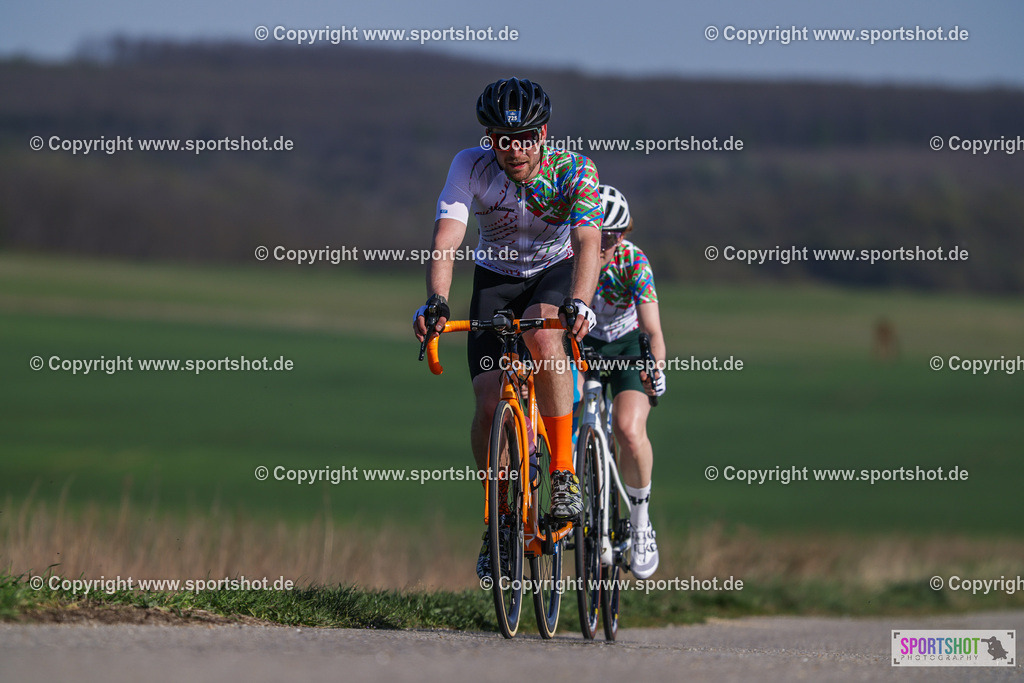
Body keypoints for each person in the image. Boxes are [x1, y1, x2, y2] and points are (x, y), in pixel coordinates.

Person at [412, 78, 603, 579]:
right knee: (488, 398)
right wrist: (436, 301)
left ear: (543, 134)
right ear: (489, 139)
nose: (513, 150)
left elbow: (587, 242)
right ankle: (499, 518)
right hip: (495, 278)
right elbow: (447, 235)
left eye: (524, 138)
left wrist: (579, 302)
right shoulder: (468, 166)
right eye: (501, 138)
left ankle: (562, 472)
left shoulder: (575, 170)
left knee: (544, 334)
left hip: (553, 273)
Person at [583, 184, 666, 579]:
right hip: (583, 343)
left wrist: (655, 367)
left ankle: (641, 521)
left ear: (624, 234)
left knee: (629, 431)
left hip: (627, 345)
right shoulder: (570, 258)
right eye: (597, 232)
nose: (603, 243)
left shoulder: (634, 263)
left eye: (612, 236)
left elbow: (652, 330)